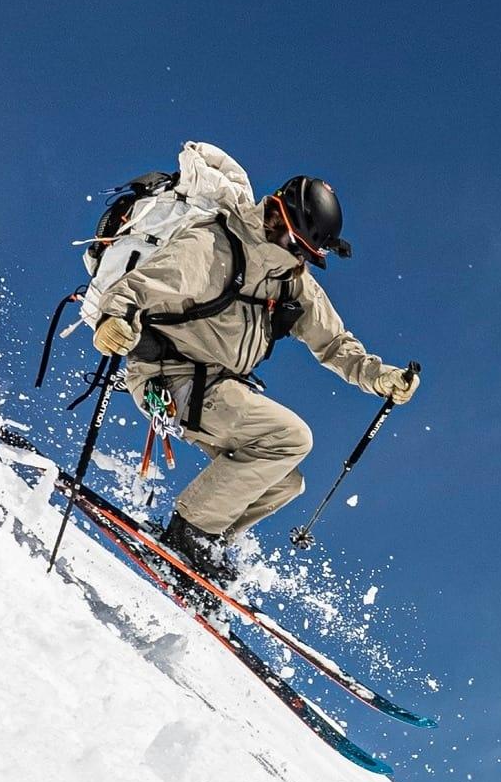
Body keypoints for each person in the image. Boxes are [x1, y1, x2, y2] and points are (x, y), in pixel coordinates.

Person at [88, 174, 418, 584]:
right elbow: (140, 287)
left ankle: (201, 551)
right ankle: (187, 533)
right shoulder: (213, 247)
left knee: (285, 483)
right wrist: (113, 319)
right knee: (291, 439)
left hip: (214, 385)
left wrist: (380, 377)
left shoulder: (289, 280)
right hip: (168, 375)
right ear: (277, 217)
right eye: (297, 245)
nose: (300, 258)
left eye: (308, 254)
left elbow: (333, 344)